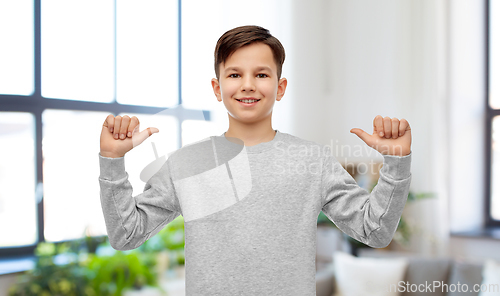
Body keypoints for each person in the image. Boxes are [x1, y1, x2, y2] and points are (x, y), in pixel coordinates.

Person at [98, 25, 412, 295]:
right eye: (235, 74)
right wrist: (112, 160)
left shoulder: (311, 159)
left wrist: (396, 162)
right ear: (217, 88)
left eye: (261, 74)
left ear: (280, 87)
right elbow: (127, 234)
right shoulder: (187, 163)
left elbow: (376, 231)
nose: (248, 84)